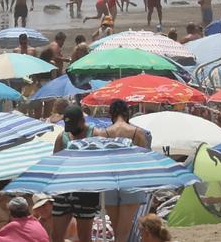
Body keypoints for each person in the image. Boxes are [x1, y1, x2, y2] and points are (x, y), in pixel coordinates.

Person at [97, 100, 150, 242]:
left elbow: (100, 160)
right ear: (127, 113)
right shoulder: (137, 133)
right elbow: (144, 159)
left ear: (111, 114)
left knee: (117, 230)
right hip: (131, 181)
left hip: (110, 182)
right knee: (123, 232)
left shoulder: (104, 133)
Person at [51, 104, 99, 242]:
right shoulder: (63, 137)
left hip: (86, 191)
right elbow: (55, 162)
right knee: (56, 235)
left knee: (84, 236)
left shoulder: (95, 134)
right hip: (64, 189)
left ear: (82, 121)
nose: (71, 130)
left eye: (73, 125)